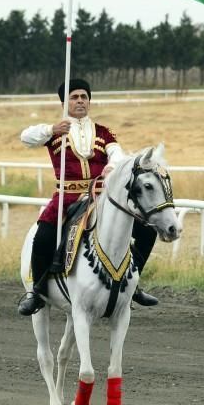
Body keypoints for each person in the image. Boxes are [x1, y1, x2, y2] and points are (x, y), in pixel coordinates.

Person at [17, 78, 159, 316]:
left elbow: (117, 152)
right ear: (64, 102)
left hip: (100, 199)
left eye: (84, 97)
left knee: (148, 230)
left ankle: (133, 284)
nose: (80, 101)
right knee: (42, 237)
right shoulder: (54, 131)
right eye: (74, 97)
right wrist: (51, 129)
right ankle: (37, 292)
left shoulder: (103, 132)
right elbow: (25, 137)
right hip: (67, 198)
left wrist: (112, 166)